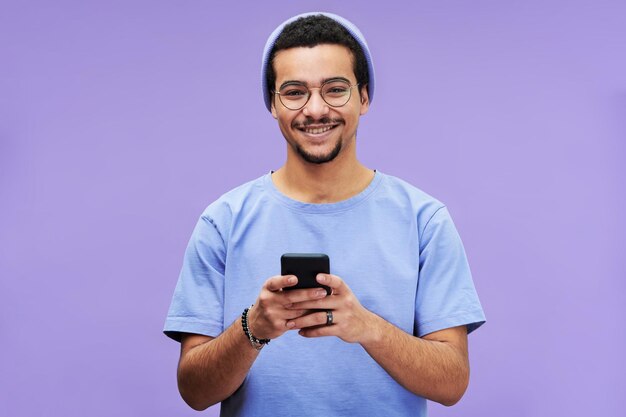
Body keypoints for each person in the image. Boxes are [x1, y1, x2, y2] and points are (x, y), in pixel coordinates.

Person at [164, 12, 485, 417]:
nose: (315, 110)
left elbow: (452, 382)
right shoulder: (222, 222)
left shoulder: (424, 220)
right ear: (273, 105)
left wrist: (368, 327)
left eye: (335, 89)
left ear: (364, 97)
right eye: (294, 92)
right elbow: (194, 392)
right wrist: (253, 328)